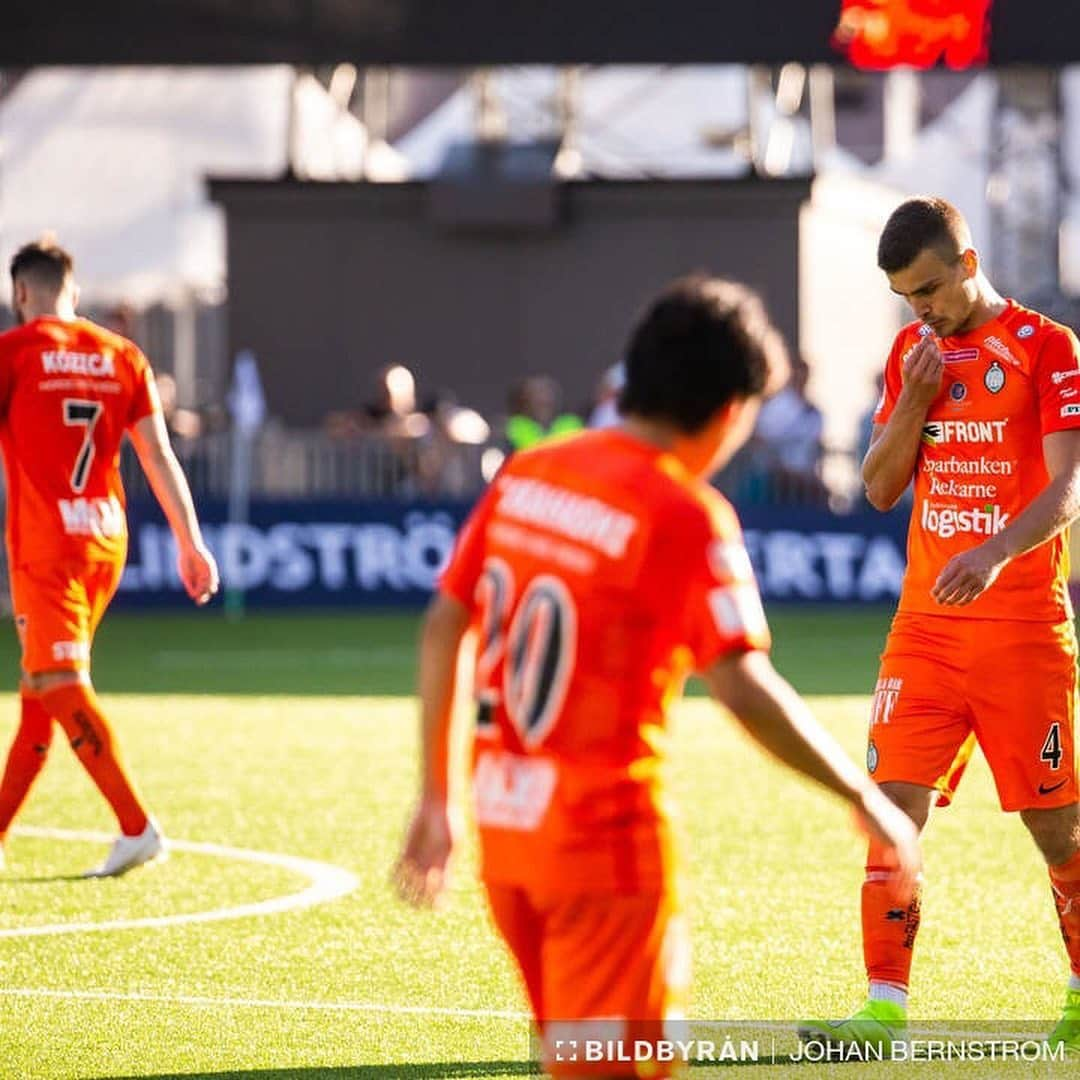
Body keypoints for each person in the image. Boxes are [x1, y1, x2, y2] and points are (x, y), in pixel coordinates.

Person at [394, 274, 921, 1078]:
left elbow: (443, 625)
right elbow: (741, 684)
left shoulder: (532, 472)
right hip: (604, 858)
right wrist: (863, 796)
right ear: (731, 411)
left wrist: (438, 799)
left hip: (508, 842)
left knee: (568, 1061)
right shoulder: (683, 512)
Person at [799, 196, 1080, 1053]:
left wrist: (995, 550)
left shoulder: (1048, 349)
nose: (919, 308)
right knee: (888, 812)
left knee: (1058, 829)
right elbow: (882, 488)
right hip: (923, 628)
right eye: (903, 296)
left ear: (967, 260)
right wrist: (913, 402)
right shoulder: (910, 354)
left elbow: (1068, 489)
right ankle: (883, 1009)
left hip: (1022, 628)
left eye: (927, 287)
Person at [0, 241, 219, 877]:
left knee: (62, 683)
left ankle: (136, 825)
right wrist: (190, 540)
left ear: (21, 294)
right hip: (104, 541)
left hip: (46, 544)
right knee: (42, 688)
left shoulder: (13, 353)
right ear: (72, 287)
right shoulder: (123, 356)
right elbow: (157, 455)